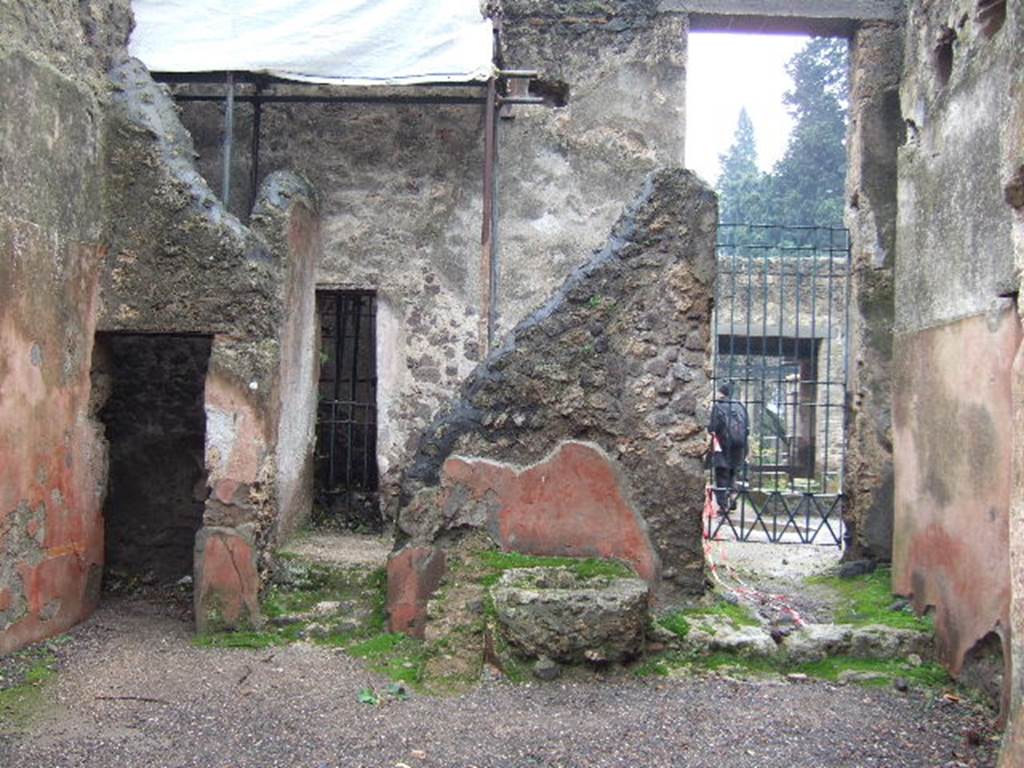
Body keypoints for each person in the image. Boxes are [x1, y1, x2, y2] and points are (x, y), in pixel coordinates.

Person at [708, 382, 749, 513]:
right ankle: (732, 497)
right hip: (738, 446)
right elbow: (747, 428)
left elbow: (713, 427)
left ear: (721, 393)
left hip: (723, 445)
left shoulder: (718, 406)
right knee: (733, 472)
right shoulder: (740, 406)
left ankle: (723, 504)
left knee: (721, 474)